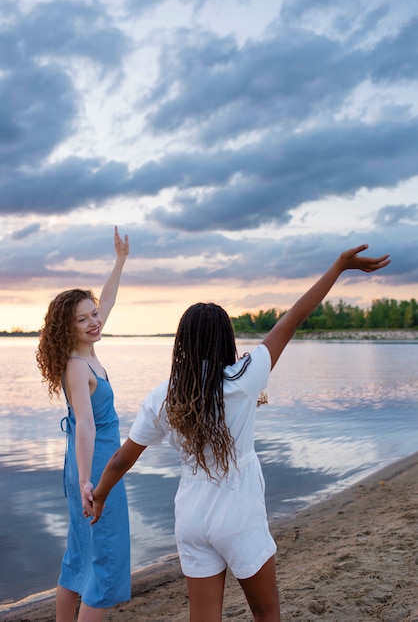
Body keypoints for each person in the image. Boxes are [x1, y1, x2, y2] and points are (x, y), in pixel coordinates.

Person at [89, 243, 390, 622]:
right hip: (238, 511)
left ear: (181, 342)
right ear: (225, 339)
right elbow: (293, 319)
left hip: (191, 517)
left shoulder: (163, 396)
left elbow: (121, 459)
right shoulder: (245, 378)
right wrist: (339, 266)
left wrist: (98, 495)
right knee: (266, 614)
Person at [36, 226, 130, 622]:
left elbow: (105, 300)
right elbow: (87, 427)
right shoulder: (77, 367)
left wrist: (120, 261)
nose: (95, 321)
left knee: (79, 553)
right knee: (104, 560)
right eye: (84, 319)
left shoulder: (86, 351)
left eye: (94, 315)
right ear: (67, 328)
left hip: (86, 467)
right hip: (96, 467)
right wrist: (90, 482)